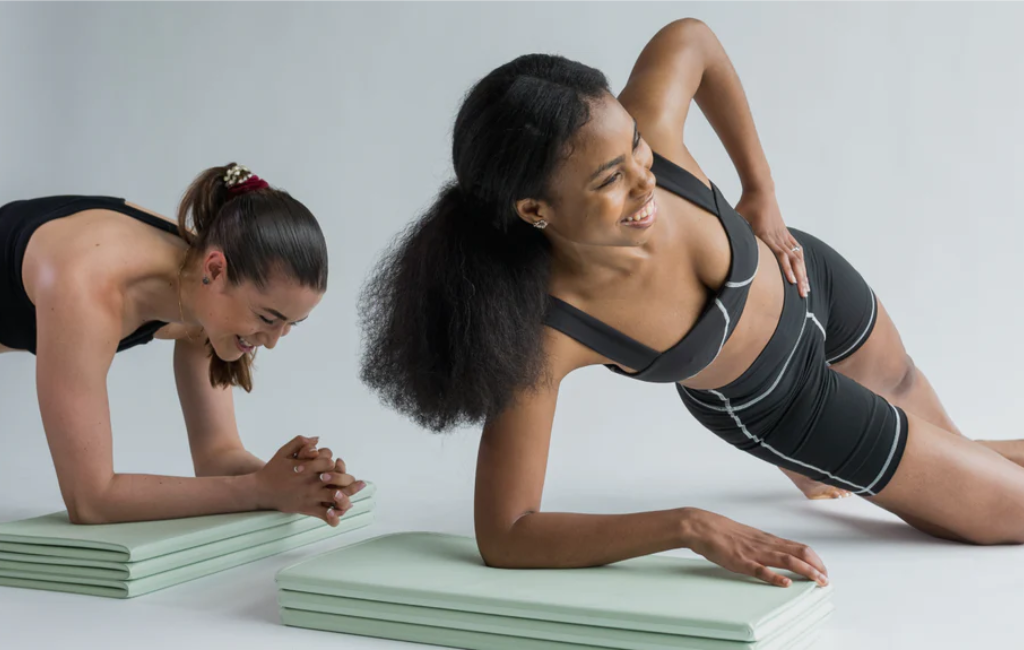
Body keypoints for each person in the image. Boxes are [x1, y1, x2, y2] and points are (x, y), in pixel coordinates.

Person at [360, 19, 1024, 588]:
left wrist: (759, 190)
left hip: (812, 279)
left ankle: (846, 469)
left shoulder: (648, 140)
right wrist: (688, 526)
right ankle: (806, 458)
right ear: (535, 209)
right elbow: (506, 534)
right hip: (786, 404)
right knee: (1008, 514)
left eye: (637, 147)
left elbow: (693, 40)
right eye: (610, 179)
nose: (644, 180)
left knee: (951, 448)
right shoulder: (550, 330)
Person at [1, 163, 364, 525]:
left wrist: (301, 484)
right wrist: (260, 491)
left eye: (290, 325)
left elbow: (218, 458)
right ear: (216, 269)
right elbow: (91, 500)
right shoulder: (89, 287)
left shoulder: (204, 291)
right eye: (267, 318)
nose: (270, 342)